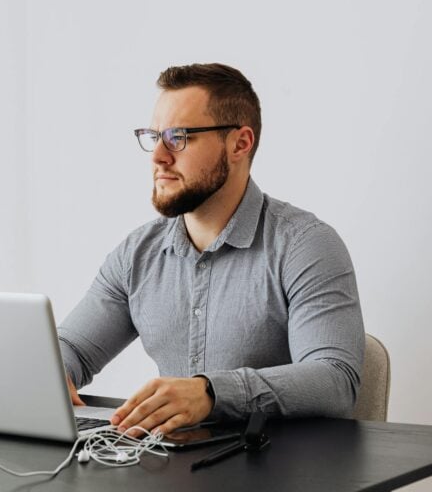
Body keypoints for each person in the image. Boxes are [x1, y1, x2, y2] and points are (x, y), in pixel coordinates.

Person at [57, 63, 364, 435]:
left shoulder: (305, 246)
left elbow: (335, 379)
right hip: (171, 469)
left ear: (240, 143)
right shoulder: (137, 255)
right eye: (153, 136)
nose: (158, 156)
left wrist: (211, 393)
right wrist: (54, 371)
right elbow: (72, 348)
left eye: (179, 136)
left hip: (279, 471)